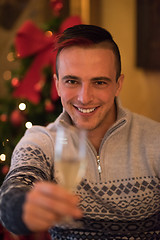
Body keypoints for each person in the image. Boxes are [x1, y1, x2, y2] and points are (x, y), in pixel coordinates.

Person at [0, 24, 160, 240]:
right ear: (57, 85)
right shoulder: (42, 140)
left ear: (117, 85)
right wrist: (22, 207)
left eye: (99, 82)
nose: (84, 97)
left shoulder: (155, 140)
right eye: (72, 81)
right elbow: (12, 193)